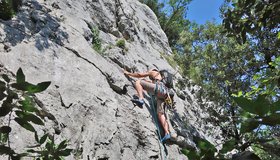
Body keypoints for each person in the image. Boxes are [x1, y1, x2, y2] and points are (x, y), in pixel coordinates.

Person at [124, 69, 173, 142]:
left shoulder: (154, 72)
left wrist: (128, 73)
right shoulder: (163, 79)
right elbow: (153, 83)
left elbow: (139, 75)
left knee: (138, 82)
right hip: (165, 94)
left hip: (159, 90)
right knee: (160, 113)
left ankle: (141, 99)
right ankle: (167, 133)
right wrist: (148, 82)